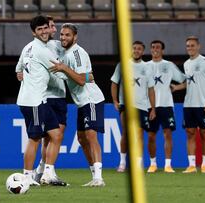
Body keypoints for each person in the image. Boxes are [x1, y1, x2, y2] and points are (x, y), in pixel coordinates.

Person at [50, 23, 105, 187]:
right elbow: (87, 76)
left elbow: (82, 80)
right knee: (81, 138)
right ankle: (94, 175)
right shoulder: (66, 53)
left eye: (67, 35)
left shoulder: (77, 53)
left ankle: (99, 177)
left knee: (91, 135)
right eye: (62, 34)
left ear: (75, 37)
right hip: (82, 102)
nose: (63, 38)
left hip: (91, 99)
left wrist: (64, 68)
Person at [16, 16, 67, 185]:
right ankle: (28, 177)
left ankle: (47, 173)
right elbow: (60, 71)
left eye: (45, 28)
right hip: (34, 101)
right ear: (34, 32)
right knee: (35, 138)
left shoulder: (27, 48)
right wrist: (80, 77)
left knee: (56, 134)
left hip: (35, 100)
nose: (44, 32)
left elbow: (18, 69)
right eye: (40, 29)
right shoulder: (42, 50)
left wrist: (22, 75)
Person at [111, 41, 156, 172]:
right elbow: (114, 83)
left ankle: (137, 164)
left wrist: (153, 108)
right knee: (126, 132)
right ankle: (123, 163)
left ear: (143, 51)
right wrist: (114, 100)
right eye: (134, 48)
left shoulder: (147, 67)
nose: (136, 51)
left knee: (139, 134)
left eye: (139, 49)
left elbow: (151, 89)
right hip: (126, 104)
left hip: (142, 106)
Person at [171, 36, 205, 174]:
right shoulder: (186, 64)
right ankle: (192, 165)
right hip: (189, 104)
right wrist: (177, 88)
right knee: (190, 133)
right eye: (188, 45)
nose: (190, 48)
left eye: (192, 45)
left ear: (198, 46)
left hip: (203, 103)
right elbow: (189, 83)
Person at [146, 40, 185, 173]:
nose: (155, 49)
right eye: (153, 47)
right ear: (150, 50)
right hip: (150, 106)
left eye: (158, 47)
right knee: (151, 135)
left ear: (162, 50)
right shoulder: (145, 66)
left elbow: (185, 80)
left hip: (166, 105)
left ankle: (168, 165)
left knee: (167, 133)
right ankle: (153, 164)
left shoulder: (169, 65)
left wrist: (176, 87)